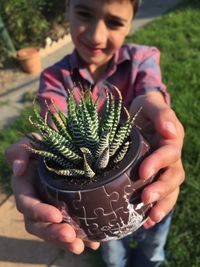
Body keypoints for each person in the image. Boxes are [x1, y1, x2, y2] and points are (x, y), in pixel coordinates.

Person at [6, 0, 185, 266]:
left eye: (114, 22)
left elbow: (152, 93)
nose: (96, 35)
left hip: (151, 193)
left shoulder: (142, 59)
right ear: (67, 8)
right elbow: (51, 125)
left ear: (132, 20)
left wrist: (158, 112)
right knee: (113, 257)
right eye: (84, 13)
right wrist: (36, 152)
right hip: (97, 221)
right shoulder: (56, 78)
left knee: (153, 251)